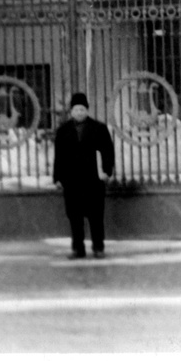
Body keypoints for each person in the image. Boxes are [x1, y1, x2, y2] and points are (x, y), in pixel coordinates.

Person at [52, 92, 115, 259]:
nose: (79, 112)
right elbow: (59, 156)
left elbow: (108, 151)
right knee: (75, 217)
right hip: (72, 180)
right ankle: (78, 249)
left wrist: (107, 171)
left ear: (87, 110)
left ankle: (98, 247)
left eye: (82, 109)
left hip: (93, 180)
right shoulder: (63, 131)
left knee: (96, 216)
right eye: (76, 109)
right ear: (71, 111)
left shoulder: (99, 129)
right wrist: (57, 177)